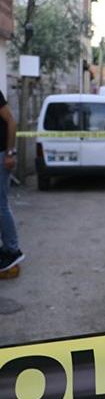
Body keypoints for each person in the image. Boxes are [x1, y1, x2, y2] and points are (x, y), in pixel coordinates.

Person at [0, 90, 25, 272]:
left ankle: (12, 249)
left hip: (1, 156)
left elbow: (11, 121)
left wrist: (10, 153)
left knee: (1, 205)